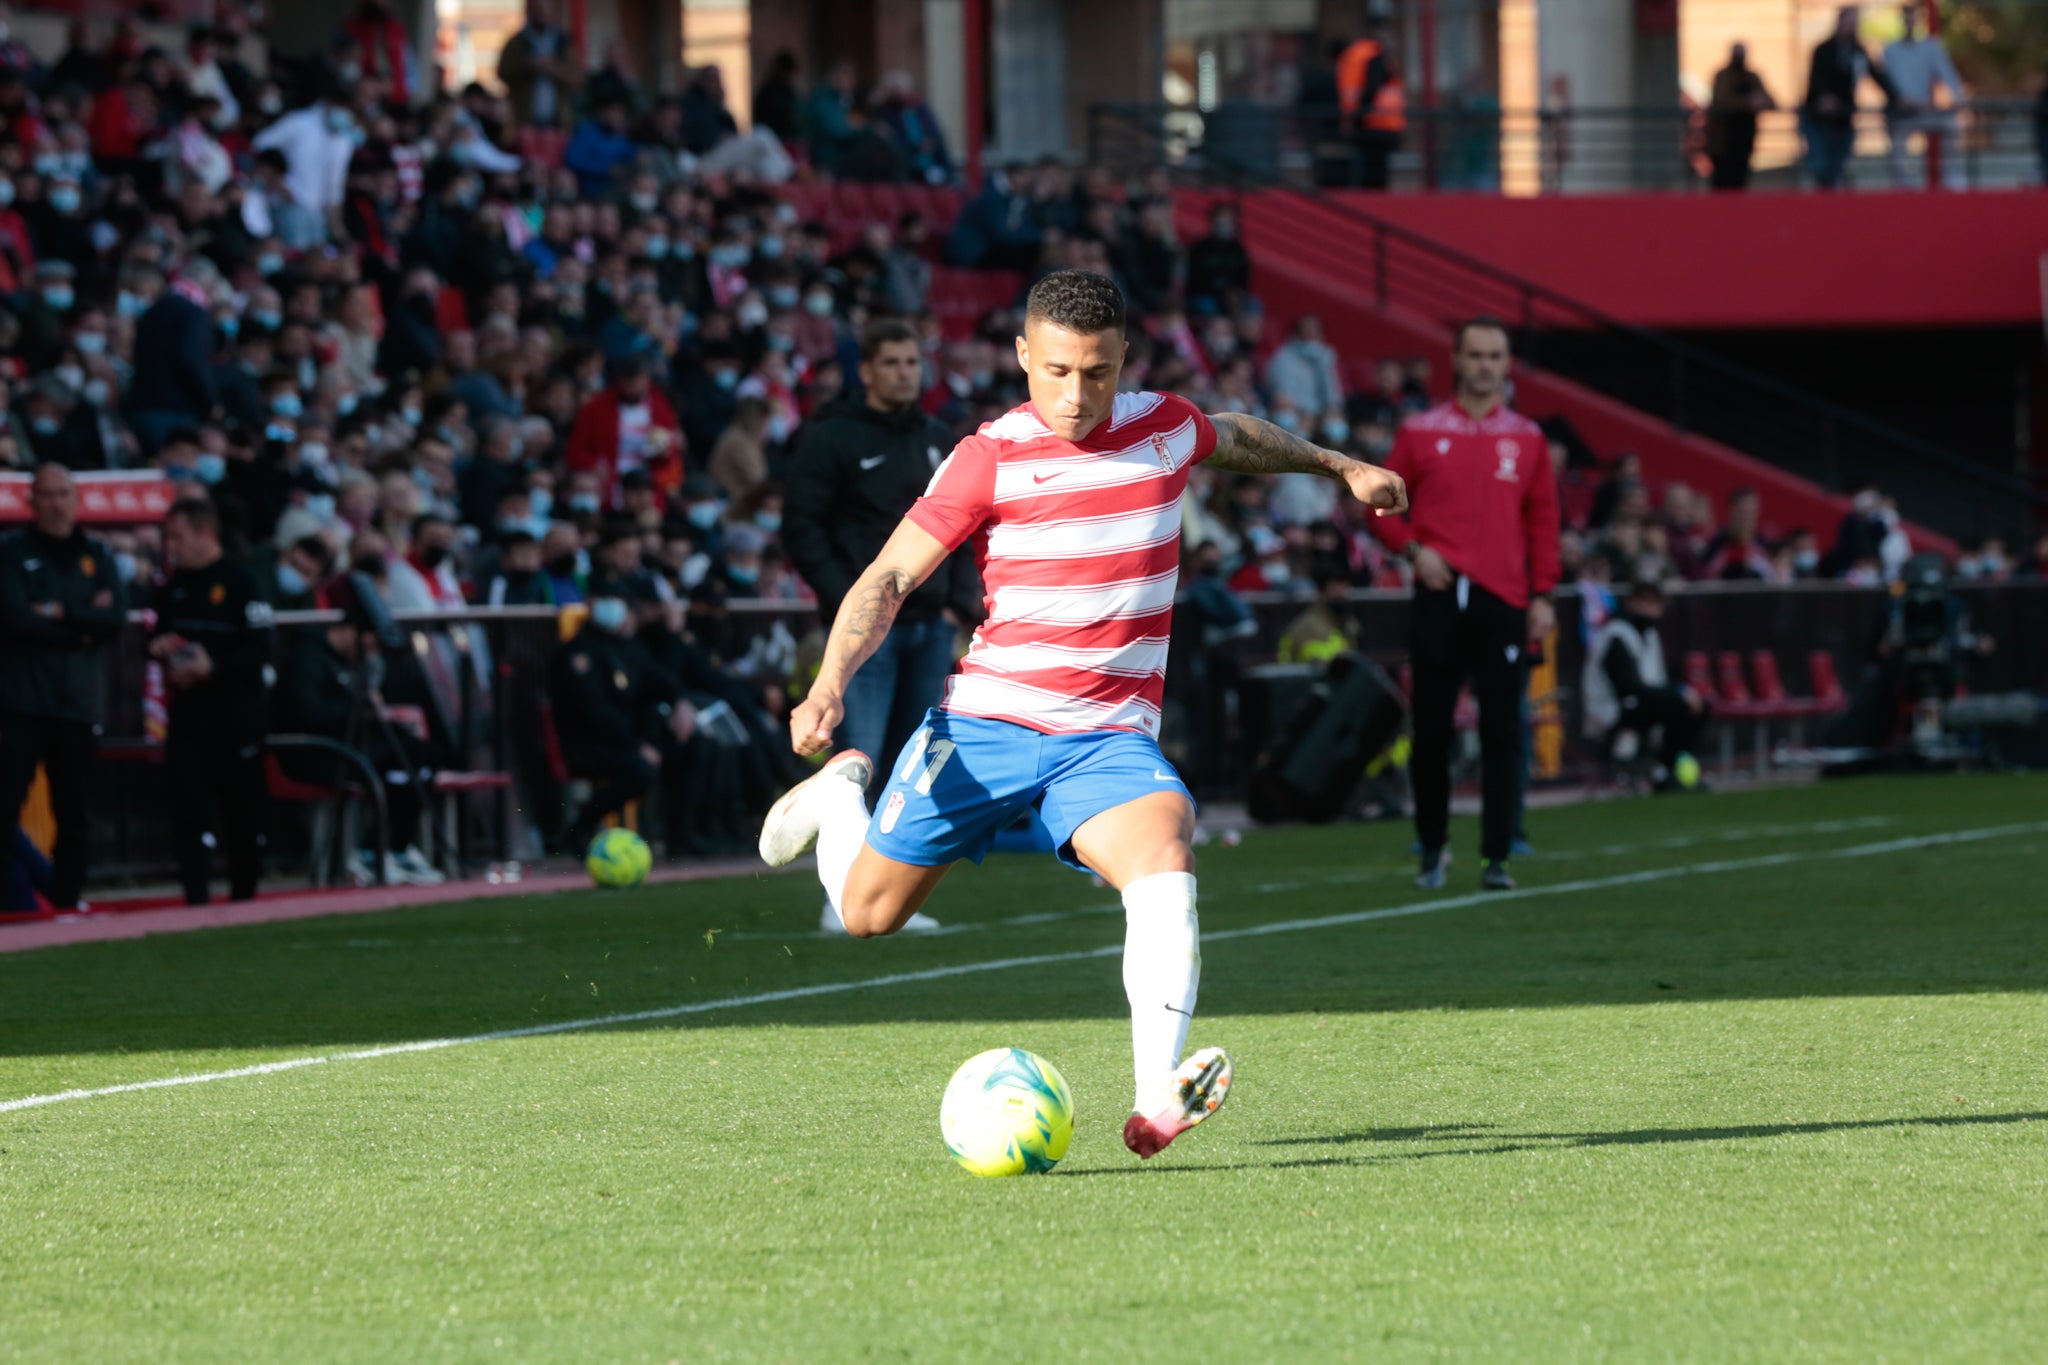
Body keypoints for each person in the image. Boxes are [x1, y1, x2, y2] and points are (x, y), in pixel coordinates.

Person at [756, 270, 1408, 1160]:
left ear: (1123, 361)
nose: (1075, 394)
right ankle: (841, 797)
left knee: (1164, 854)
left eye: (1096, 373)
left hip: (1104, 737)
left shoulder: (1165, 426)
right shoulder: (988, 455)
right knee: (868, 915)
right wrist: (830, 682)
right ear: (1024, 356)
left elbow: (1240, 437)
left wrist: (1340, 466)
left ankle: (1155, 1099)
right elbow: (890, 577)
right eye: (1056, 370)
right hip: (985, 725)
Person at [783, 320, 983, 915]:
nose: (904, 372)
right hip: (867, 630)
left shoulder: (939, 438)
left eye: (911, 362)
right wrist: (843, 597)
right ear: (865, 371)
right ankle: (837, 896)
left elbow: (972, 527)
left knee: (910, 763)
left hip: (928, 625)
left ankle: (887, 896)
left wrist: (956, 602)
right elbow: (802, 529)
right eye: (891, 362)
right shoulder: (831, 439)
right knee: (856, 759)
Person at [1373, 317, 1560, 892]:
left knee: (1504, 730)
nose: (1485, 365)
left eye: (1495, 356)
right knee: (1431, 730)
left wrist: (1544, 593)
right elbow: (1378, 502)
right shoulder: (1420, 430)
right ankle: (1432, 849)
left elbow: (1544, 520)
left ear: (1506, 365)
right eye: (1475, 355)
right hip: (1438, 593)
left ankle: (1497, 856)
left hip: (1504, 598)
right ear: (1455, 361)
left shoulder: (1528, 437)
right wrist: (1413, 551)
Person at [0, 464, 129, 910]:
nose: (55, 504)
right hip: (21, 701)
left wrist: (55, 613)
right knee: (5, 806)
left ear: (76, 500)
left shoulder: (97, 554)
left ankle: (68, 903)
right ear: (31, 501)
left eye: (63, 494)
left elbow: (114, 620)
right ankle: (14, 904)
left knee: (74, 813)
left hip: (77, 701)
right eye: (47, 495)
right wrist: (80, 623)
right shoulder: (11, 553)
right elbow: (15, 618)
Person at [149, 497, 274, 906]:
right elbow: (155, 636)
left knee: (240, 811)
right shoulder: (173, 587)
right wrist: (161, 646)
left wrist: (214, 665)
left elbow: (263, 648)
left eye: (178, 536)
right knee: (187, 810)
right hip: (187, 716)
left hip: (235, 717)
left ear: (205, 533)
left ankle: (243, 898)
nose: (171, 545)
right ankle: (195, 901)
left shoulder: (241, 581)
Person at [1583, 579, 1709, 792]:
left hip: (1636, 701)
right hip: (1611, 707)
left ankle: (1670, 769)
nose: (1650, 608)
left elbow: (1655, 681)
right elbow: (1630, 687)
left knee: (1698, 706)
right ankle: (1664, 773)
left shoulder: (1649, 634)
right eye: (1644, 601)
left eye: (1655, 603)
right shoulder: (1617, 634)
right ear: (1632, 602)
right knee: (1677, 705)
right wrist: (1677, 692)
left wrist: (1681, 691)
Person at [565, 352, 684, 508]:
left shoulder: (660, 408)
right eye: (629, 381)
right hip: (608, 481)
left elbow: (671, 453)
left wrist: (665, 452)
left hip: (646, 483)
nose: (634, 386)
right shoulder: (597, 408)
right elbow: (576, 450)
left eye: (638, 380)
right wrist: (595, 465)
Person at [1801, 7, 1895, 190]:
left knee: (1837, 163)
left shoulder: (1858, 51)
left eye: (1854, 22)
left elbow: (1876, 76)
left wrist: (1896, 98)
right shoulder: (1823, 50)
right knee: (1820, 164)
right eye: (1848, 22)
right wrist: (1823, 98)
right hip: (1817, 119)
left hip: (1843, 118)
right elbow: (1816, 80)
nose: (1851, 27)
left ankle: (1833, 200)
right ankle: (1824, 201)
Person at [1882, 4, 1965, 189]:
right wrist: (1901, 101)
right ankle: (1903, 180)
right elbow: (1887, 82)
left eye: (1913, 18)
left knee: (1951, 125)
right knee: (1896, 136)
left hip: (1926, 110)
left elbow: (1948, 75)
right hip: (1902, 113)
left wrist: (1957, 99)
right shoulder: (1890, 50)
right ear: (1901, 20)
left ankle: (1948, 175)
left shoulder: (1931, 47)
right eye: (1906, 18)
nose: (1910, 22)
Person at [1336, 16, 1405, 190]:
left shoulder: (1353, 55)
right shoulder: (1374, 57)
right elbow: (1371, 89)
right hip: (1378, 125)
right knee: (1375, 177)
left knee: (1363, 171)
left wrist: (1354, 121)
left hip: (1362, 124)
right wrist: (1360, 117)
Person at [497, 0, 582, 131]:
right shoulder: (517, 42)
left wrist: (554, 69)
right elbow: (502, 71)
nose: (541, 12)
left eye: (545, 7)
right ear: (528, 10)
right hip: (524, 120)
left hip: (558, 121)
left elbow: (577, 78)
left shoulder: (563, 42)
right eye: (537, 8)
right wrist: (529, 65)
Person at [1705, 43, 1775, 190]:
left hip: (1744, 140)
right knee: (1722, 182)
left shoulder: (1751, 77)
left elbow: (1770, 101)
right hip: (1723, 141)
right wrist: (1749, 103)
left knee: (1740, 180)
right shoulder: (1723, 76)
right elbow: (1722, 101)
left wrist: (1759, 101)